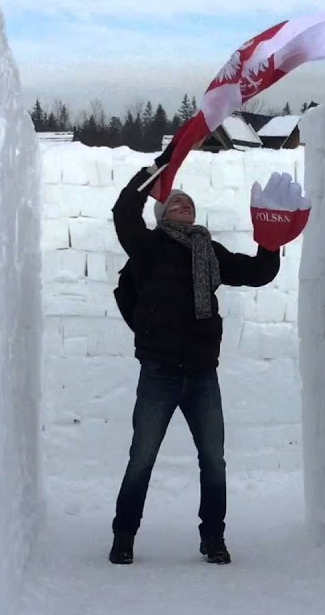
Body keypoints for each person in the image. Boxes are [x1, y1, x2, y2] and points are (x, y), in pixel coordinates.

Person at [108, 165, 281, 565]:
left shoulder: (210, 251)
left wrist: (270, 243)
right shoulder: (147, 248)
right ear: (161, 213)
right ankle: (124, 534)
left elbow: (257, 274)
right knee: (142, 457)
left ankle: (213, 538)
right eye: (174, 202)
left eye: (188, 201)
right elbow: (123, 214)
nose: (183, 203)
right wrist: (151, 174)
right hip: (160, 372)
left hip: (203, 373)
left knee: (213, 459)